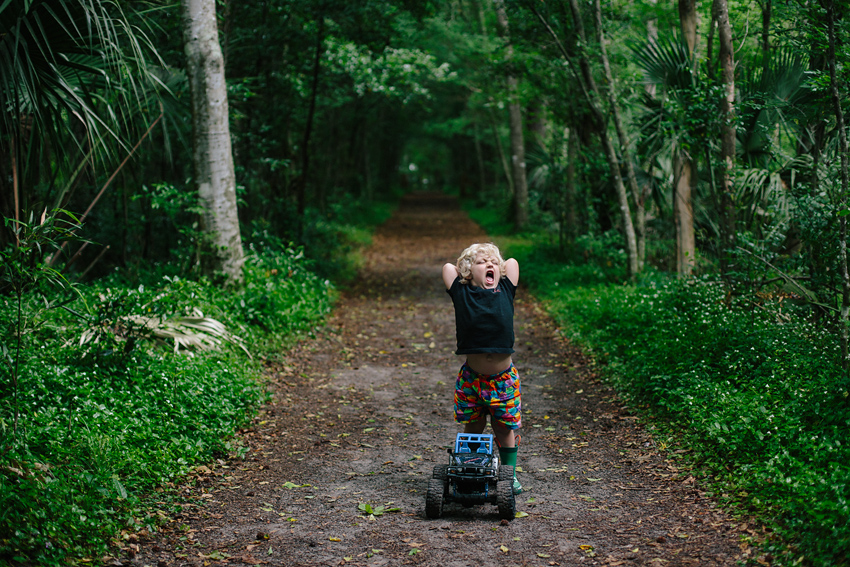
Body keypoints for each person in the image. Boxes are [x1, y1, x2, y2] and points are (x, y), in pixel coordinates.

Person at [442, 242, 523, 494]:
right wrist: (468, 268)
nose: (489, 265)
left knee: (503, 427)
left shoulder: (506, 289)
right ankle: (472, 470)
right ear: (468, 272)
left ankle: (509, 476)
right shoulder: (462, 293)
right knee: (474, 427)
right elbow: (447, 268)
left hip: (503, 380)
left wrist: (491, 262)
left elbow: (511, 263)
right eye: (481, 262)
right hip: (472, 379)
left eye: (492, 263)